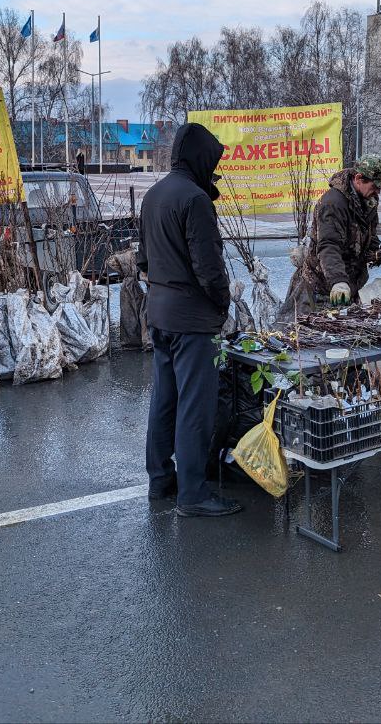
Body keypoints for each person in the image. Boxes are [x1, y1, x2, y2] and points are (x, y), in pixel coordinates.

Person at [136, 122, 242, 517]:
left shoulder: (154, 195)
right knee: (195, 405)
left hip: (159, 314)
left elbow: (143, 259)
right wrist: (221, 304)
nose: (214, 168)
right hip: (193, 321)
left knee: (164, 400)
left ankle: (161, 481)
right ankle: (193, 493)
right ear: (200, 158)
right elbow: (209, 268)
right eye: (211, 161)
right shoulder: (196, 200)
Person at [278, 154, 381, 321]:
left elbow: (369, 237)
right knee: (317, 335)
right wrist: (338, 282)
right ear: (358, 178)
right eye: (375, 186)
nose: (378, 191)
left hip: (351, 283)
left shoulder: (368, 200)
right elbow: (328, 246)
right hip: (322, 286)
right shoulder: (333, 203)